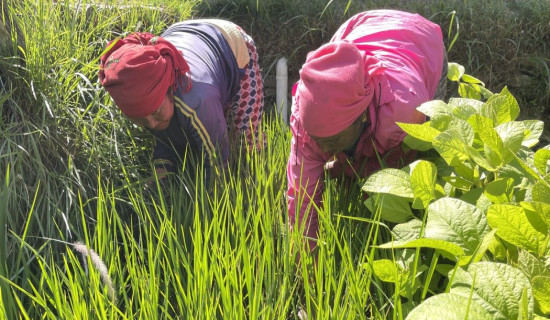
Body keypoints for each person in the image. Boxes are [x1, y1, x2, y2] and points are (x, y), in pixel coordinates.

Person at [287, 10, 447, 254]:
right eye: (319, 141)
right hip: (361, 27)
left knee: (420, 158)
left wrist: (343, 171)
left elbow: (388, 174)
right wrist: (306, 265)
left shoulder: (405, 115)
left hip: (420, 44)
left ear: (361, 117)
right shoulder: (307, 110)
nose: (324, 150)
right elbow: (301, 199)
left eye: (332, 141)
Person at [99, 19, 264, 184]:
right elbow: (166, 138)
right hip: (180, 34)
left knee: (244, 134)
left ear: (170, 91)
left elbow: (217, 162)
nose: (151, 124)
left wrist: (212, 203)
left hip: (231, 42)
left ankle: (255, 180)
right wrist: (158, 182)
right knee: (177, 125)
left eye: (155, 112)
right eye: (141, 117)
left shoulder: (199, 98)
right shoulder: (145, 93)